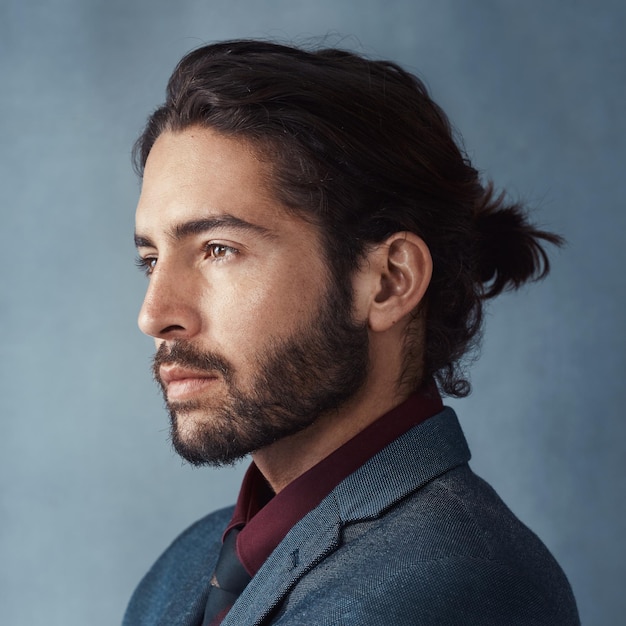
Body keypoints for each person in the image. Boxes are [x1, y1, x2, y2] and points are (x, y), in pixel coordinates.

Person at [123, 40, 579, 625]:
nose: (155, 313)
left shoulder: (453, 586)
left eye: (218, 249)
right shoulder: (183, 567)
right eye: (151, 260)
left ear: (389, 281)